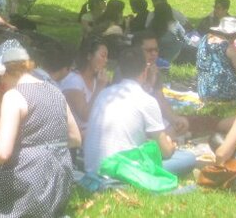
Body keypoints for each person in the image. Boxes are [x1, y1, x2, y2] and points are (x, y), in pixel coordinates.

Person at [0, 47, 79, 217]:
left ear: (3, 73)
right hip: (60, 183)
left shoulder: (14, 96)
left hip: (29, 183)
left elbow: (2, 153)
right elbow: (75, 139)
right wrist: (49, 146)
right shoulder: (56, 92)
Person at [84, 47, 196, 176]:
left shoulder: (104, 93)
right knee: (187, 158)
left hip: (92, 168)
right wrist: (171, 145)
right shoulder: (146, 100)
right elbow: (165, 151)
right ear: (145, 71)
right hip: (122, 171)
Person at [130, 32, 189, 137]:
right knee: (166, 136)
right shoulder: (127, 70)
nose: (154, 54)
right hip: (133, 121)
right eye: (149, 50)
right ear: (137, 51)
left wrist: (174, 119)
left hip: (150, 119)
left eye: (156, 50)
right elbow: (131, 105)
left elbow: (160, 98)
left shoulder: (152, 68)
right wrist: (150, 82)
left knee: (183, 125)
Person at [61, 38, 108, 143]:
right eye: (103, 56)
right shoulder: (73, 81)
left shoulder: (97, 80)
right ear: (89, 56)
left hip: (92, 136)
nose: (106, 60)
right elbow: (85, 115)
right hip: (75, 141)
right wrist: (100, 88)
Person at [196, 17, 236, 102]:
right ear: (235, 34)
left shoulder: (204, 39)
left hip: (203, 89)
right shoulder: (228, 48)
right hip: (222, 91)